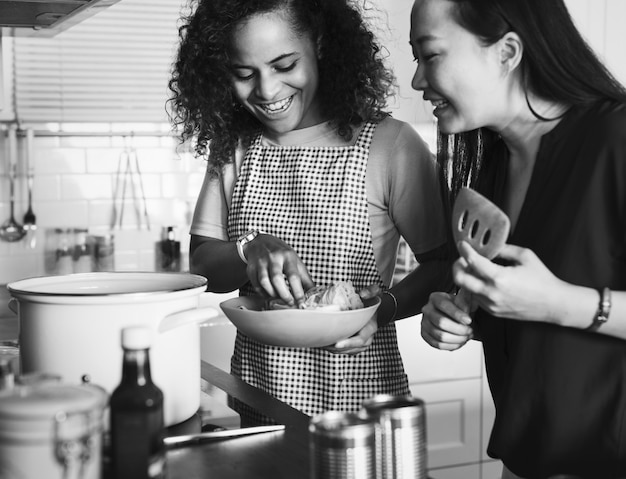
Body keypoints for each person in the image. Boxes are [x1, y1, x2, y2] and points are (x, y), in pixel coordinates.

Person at [168, 0, 451, 426]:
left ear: (319, 43)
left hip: (360, 401)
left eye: (284, 65)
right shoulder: (235, 149)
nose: (266, 91)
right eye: (244, 74)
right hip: (258, 398)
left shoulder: (390, 145)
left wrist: (383, 308)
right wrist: (249, 248)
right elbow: (205, 266)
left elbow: (444, 265)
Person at [411, 0, 626, 477]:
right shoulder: (494, 165)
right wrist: (458, 314)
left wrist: (561, 303)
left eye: (431, 55)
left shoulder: (616, 137)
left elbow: (554, 301)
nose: (418, 81)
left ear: (507, 52)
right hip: (524, 462)